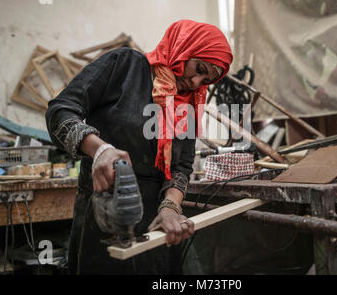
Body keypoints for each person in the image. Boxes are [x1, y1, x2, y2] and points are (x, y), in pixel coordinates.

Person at [45, 19, 233, 274]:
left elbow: (182, 165)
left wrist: (170, 208)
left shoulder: (188, 103)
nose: (196, 82)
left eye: (206, 80)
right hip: (104, 208)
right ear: (184, 47)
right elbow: (60, 111)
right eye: (198, 68)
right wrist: (100, 149)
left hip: (155, 219)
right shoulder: (125, 66)